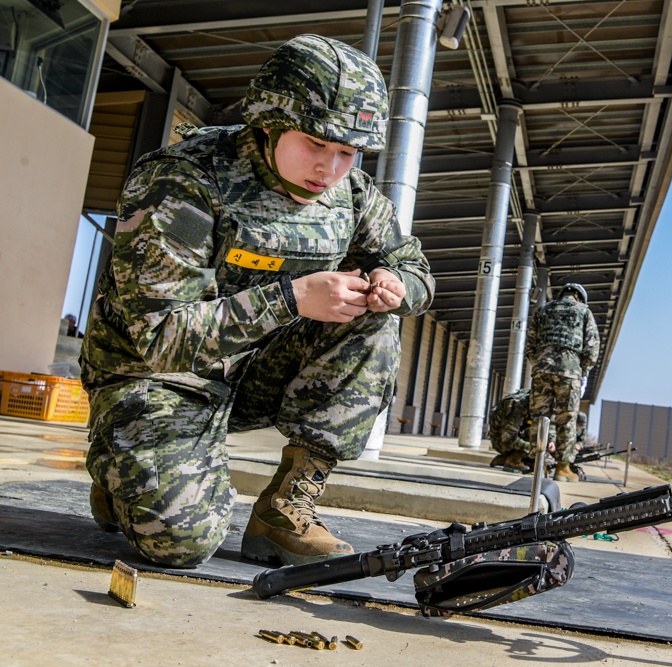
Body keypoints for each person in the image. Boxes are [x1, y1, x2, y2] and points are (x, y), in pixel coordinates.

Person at [80, 35, 433, 569]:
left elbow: (414, 264)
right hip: (156, 378)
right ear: (267, 122)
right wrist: (291, 298)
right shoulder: (185, 180)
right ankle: (122, 471)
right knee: (181, 544)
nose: (330, 168)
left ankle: (285, 508)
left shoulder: (351, 194)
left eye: (347, 151)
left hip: (256, 375)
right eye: (316, 144)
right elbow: (156, 336)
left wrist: (398, 283)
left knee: (373, 320)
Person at [524, 283, 599, 482]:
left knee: (539, 418)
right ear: (580, 298)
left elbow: (530, 344)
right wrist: (582, 370)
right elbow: (592, 348)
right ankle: (562, 468)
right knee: (566, 420)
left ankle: (539, 467)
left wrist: (539, 364)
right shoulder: (584, 312)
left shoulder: (543, 310)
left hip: (542, 370)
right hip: (570, 372)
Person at [487, 389, 532, 472]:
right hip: (501, 441)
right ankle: (513, 461)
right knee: (535, 438)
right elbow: (507, 437)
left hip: (511, 438)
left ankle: (503, 459)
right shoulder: (519, 404)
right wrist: (532, 447)